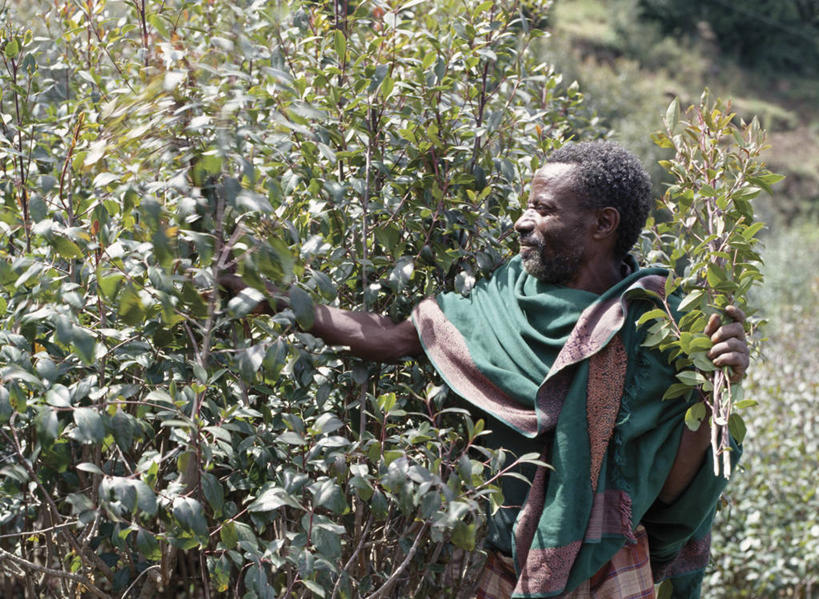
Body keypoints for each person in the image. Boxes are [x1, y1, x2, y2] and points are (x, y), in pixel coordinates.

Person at [221, 141, 749, 598]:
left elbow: (683, 483)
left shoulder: (665, 329)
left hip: (612, 565)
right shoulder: (501, 300)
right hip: (507, 558)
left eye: (543, 209)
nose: (523, 222)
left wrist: (714, 386)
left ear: (603, 224)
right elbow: (390, 335)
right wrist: (274, 299)